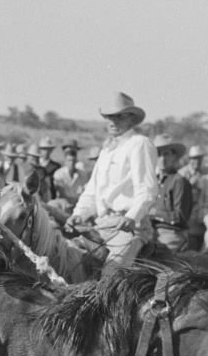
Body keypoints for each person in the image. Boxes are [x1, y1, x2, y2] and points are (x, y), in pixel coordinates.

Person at [66, 93, 158, 272]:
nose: (113, 121)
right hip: (102, 224)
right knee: (66, 259)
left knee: (111, 272)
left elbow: (147, 190)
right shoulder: (106, 150)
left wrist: (132, 217)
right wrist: (78, 214)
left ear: (131, 118)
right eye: (110, 117)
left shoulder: (139, 144)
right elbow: (91, 192)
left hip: (129, 226)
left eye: (119, 116)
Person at [149, 135, 194, 253]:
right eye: (159, 154)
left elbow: (181, 216)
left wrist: (154, 213)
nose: (162, 159)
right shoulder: (153, 180)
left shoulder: (179, 181)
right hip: (150, 230)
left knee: (157, 261)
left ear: (175, 157)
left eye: (166, 154)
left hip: (171, 233)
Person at [178, 145, 207, 250]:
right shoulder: (182, 173)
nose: (197, 161)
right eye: (194, 158)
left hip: (196, 210)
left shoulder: (201, 174)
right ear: (190, 159)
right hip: (184, 209)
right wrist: (190, 184)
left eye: (199, 158)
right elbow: (179, 194)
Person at [49, 139, 87, 212]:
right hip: (64, 201)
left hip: (78, 202)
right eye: (69, 160)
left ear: (76, 160)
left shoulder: (82, 174)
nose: (71, 163)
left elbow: (84, 190)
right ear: (65, 161)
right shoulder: (59, 173)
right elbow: (61, 192)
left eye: (73, 160)